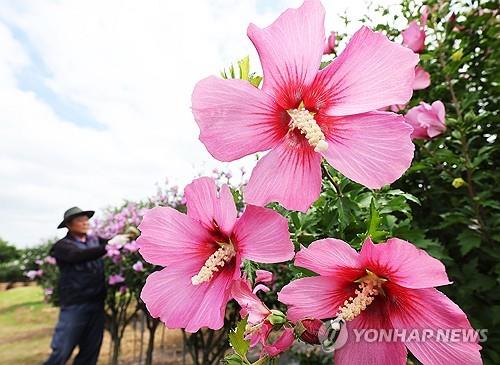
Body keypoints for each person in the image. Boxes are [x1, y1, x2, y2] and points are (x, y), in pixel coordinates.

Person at [43, 206, 108, 365]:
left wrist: (123, 238)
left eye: (86, 219)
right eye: (80, 220)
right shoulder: (62, 246)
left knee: (90, 352)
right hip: (75, 305)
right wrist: (107, 246)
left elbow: (108, 243)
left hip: (97, 304)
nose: (85, 222)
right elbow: (77, 255)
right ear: (69, 225)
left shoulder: (94, 240)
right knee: (62, 351)